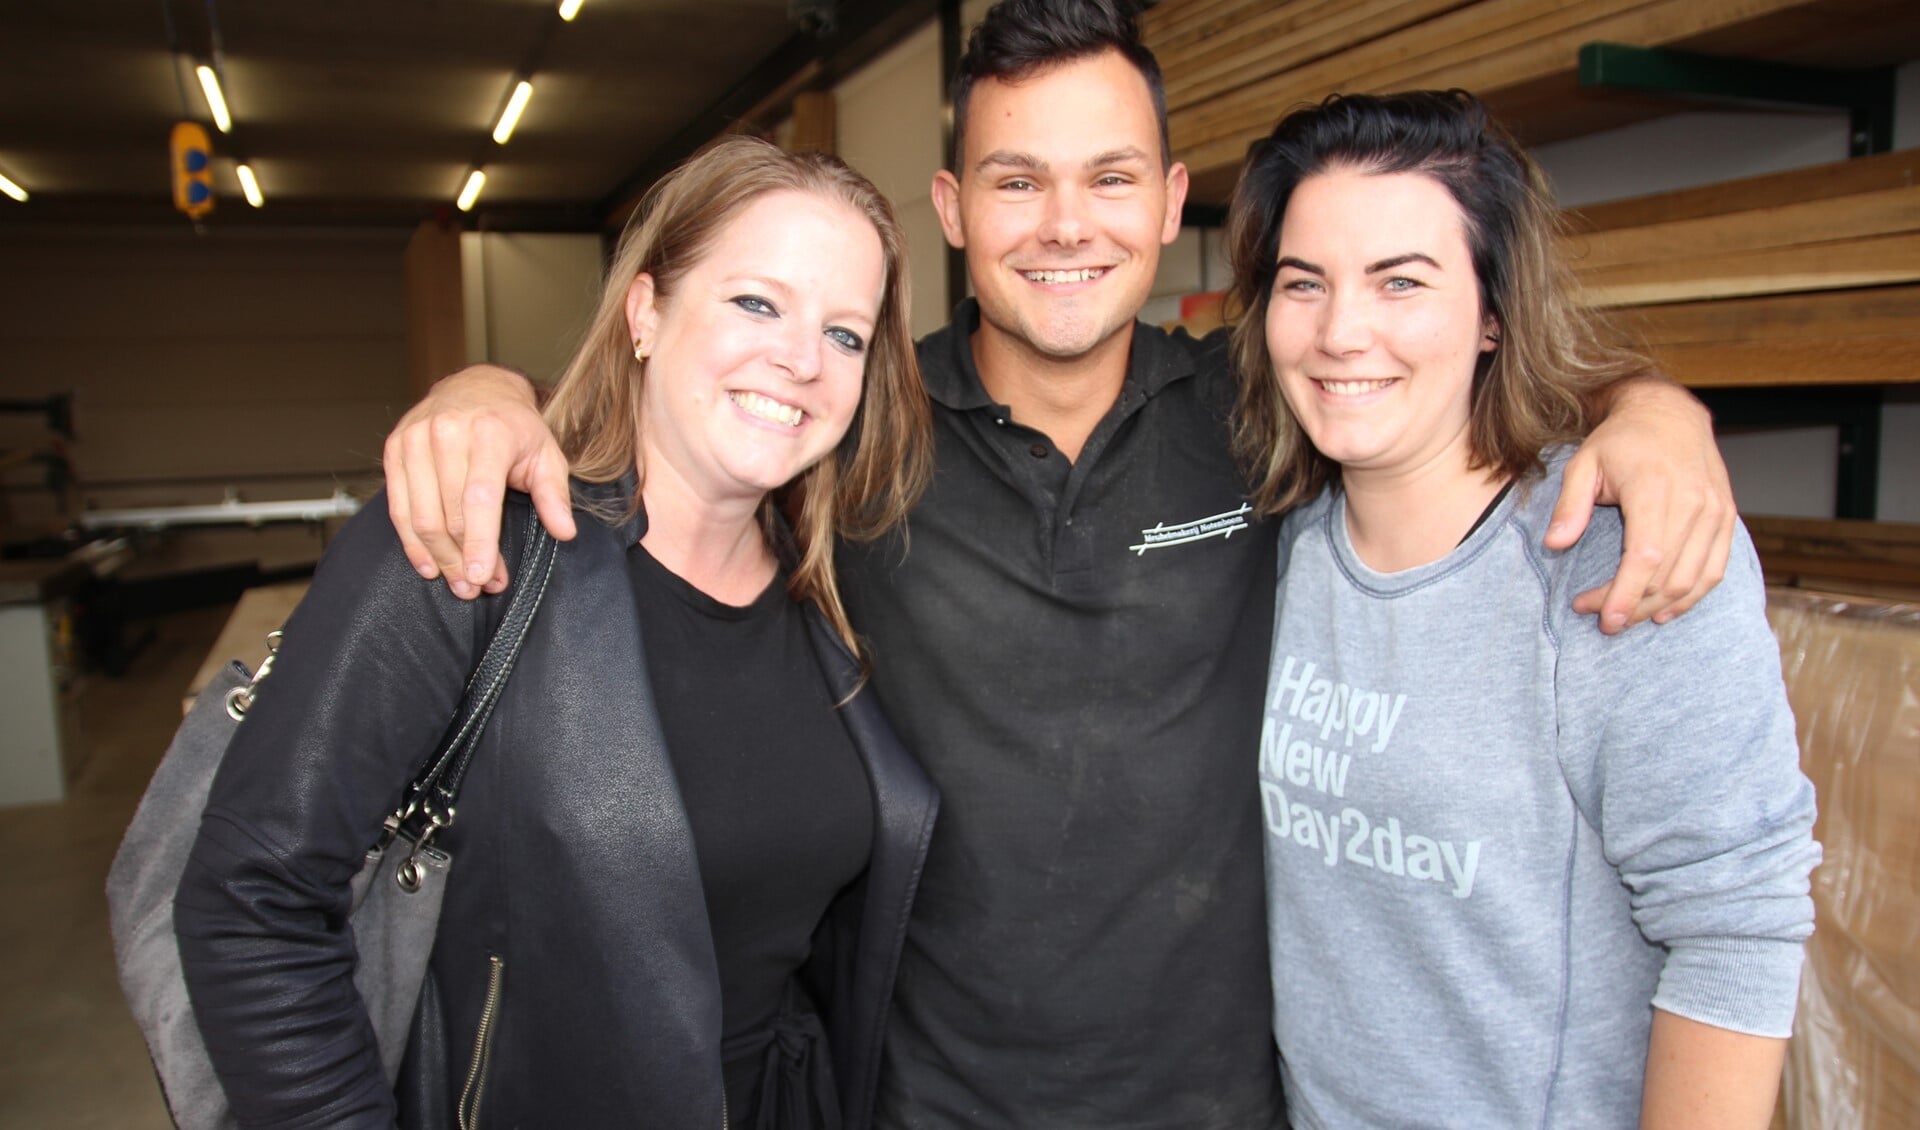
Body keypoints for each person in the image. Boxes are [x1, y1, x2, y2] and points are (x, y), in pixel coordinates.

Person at [376, 4, 1740, 1125]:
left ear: (1169, 204)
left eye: (1110, 179)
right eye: (1019, 182)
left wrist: (1651, 410)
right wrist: (487, 392)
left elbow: (1440, 368)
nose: (1066, 223)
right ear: (955, 208)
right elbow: (671, 438)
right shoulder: (858, 431)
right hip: (926, 1102)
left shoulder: (1258, 418)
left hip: (1224, 1104)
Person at [172, 136, 939, 1130]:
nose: (800, 358)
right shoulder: (472, 539)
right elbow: (250, 899)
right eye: (756, 302)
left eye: (846, 332)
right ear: (646, 311)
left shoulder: (837, 593)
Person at [1228, 90, 1819, 1129]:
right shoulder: (1285, 545)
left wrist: (1658, 409)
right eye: (1302, 282)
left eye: (1400, 281)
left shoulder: (1617, 552)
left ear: (1492, 311)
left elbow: (1735, 927)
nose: (1340, 331)